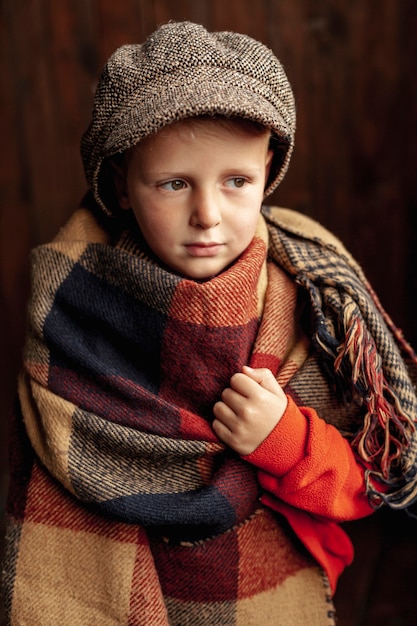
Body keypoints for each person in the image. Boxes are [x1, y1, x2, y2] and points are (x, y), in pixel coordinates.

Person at [2, 20, 417, 626]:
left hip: (261, 587)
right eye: (173, 184)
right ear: (120, 185)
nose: (207, 215)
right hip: (120, 589)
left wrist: (283, 440)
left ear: (268, 169)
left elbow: (365, 484)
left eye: (236, 182)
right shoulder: (72, 307)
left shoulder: (306, 302)